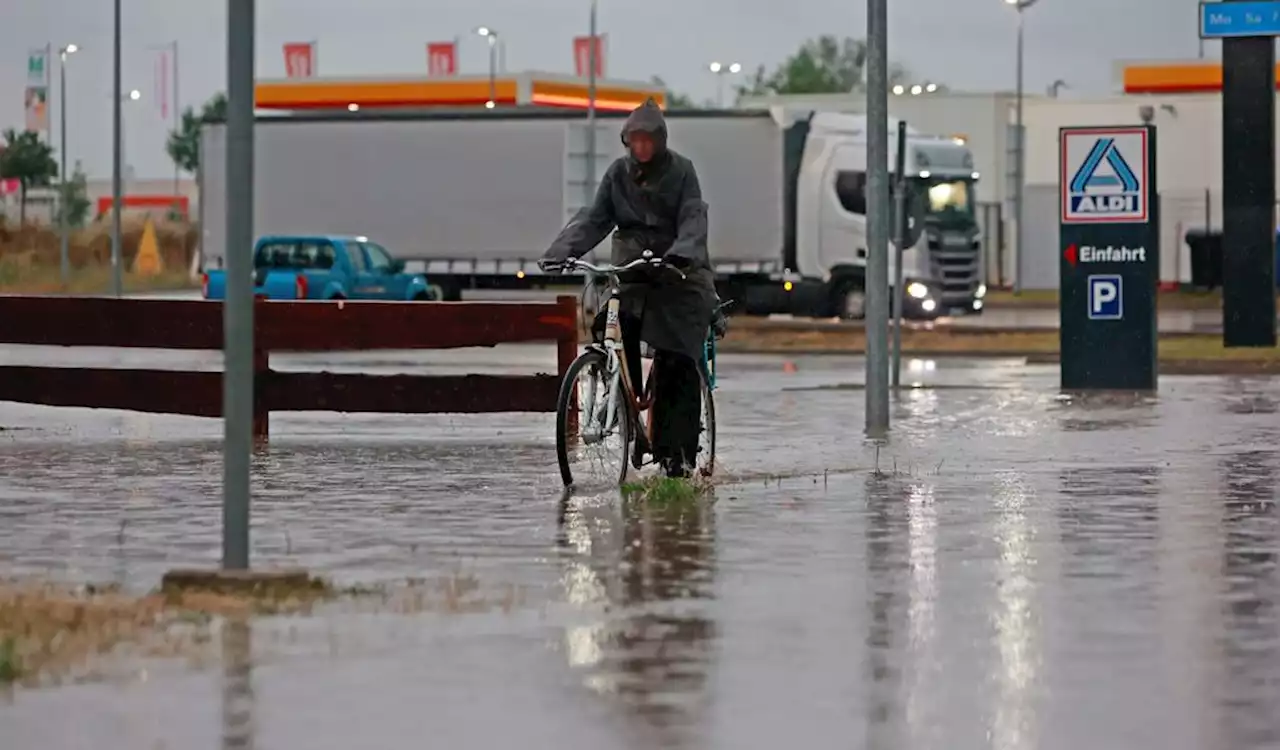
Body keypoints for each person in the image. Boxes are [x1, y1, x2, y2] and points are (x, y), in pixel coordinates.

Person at [539, 97, 716, 479]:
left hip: (678, 275)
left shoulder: (682, 171)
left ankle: (677, 456)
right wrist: (561, 252)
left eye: (648, 139)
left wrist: (681, 255)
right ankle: (628, 402)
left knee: (678, 353)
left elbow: (692, 218)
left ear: (660, 139)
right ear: (627, 141)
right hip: (632, 270)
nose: (641, 146)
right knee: (614, 324)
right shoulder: (618, 174)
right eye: (634, 139)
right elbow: (596, 218)